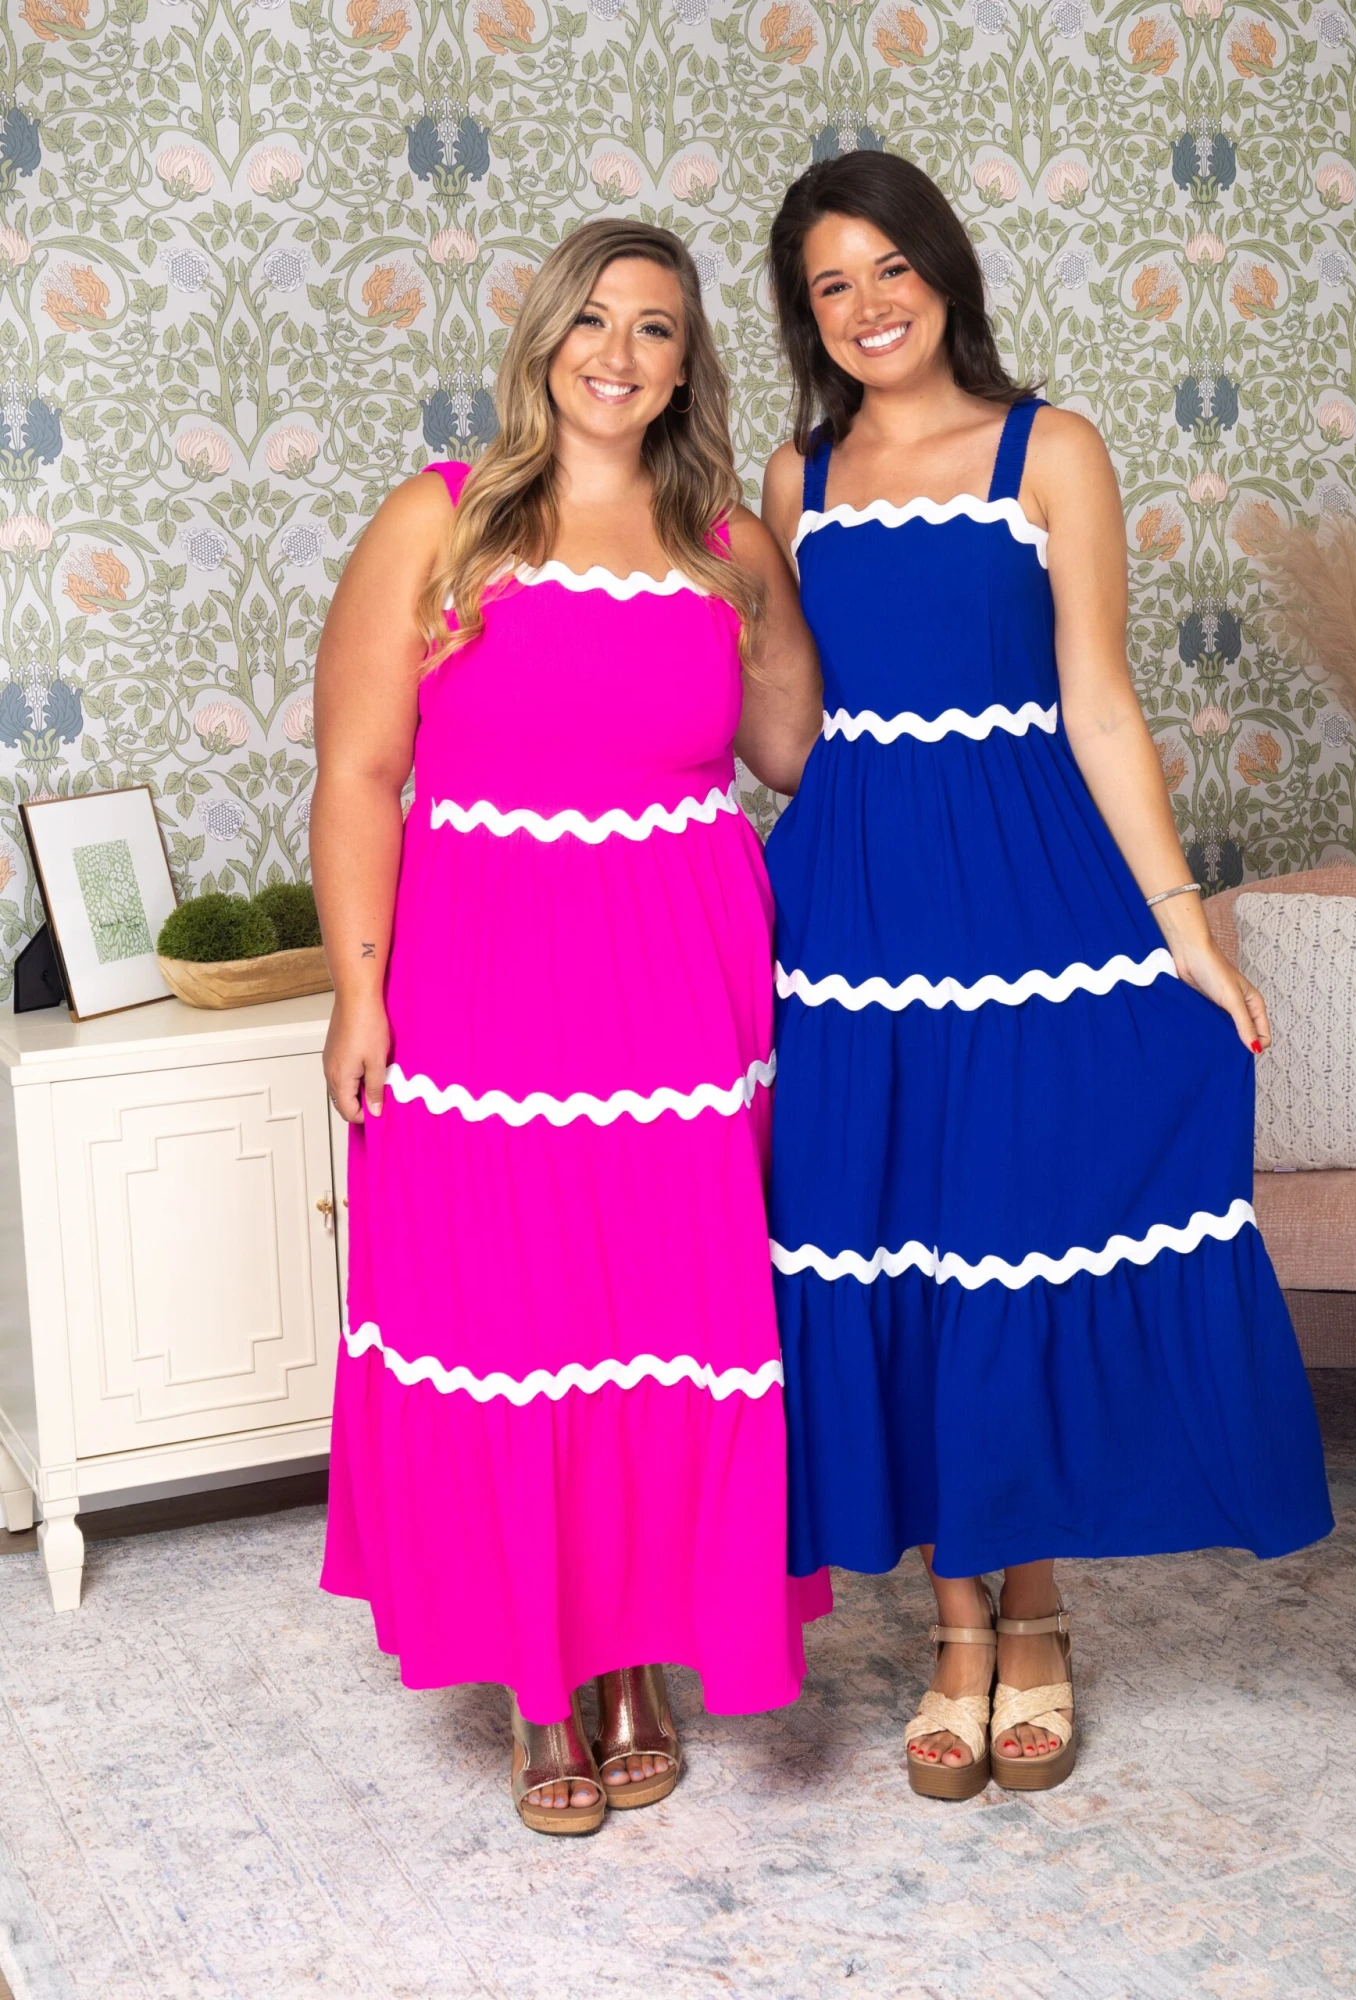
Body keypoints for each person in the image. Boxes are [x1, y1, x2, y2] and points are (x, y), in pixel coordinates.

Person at [759, 153, 1333, 1799]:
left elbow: (1100, 697)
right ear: (807, 317)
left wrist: (1181, 918)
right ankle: (957, 1632)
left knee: (1015, 1233)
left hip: (1031, 896)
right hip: (857, 916)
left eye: (890, 268)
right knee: (899, 1242)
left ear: (945, 271)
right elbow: (793, 732)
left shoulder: (1049, 448)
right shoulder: (796, 480)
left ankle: (1035, 1613)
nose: (869, 306)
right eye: (831, 286)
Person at [311, 218, 828, 1836]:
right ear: (544, 339)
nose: (618, 352)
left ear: (687, 365)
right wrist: (357, 989)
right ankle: (542, 1684)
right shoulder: (442, 519)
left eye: (655, 327)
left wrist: (871, 573)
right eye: (593, 319)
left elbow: (803, 754)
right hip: (478, 991)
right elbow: (359, 773)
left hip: (682, 998)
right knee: (509, 1330)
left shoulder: (729, 544)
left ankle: (636, 1661)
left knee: (667, 1327)